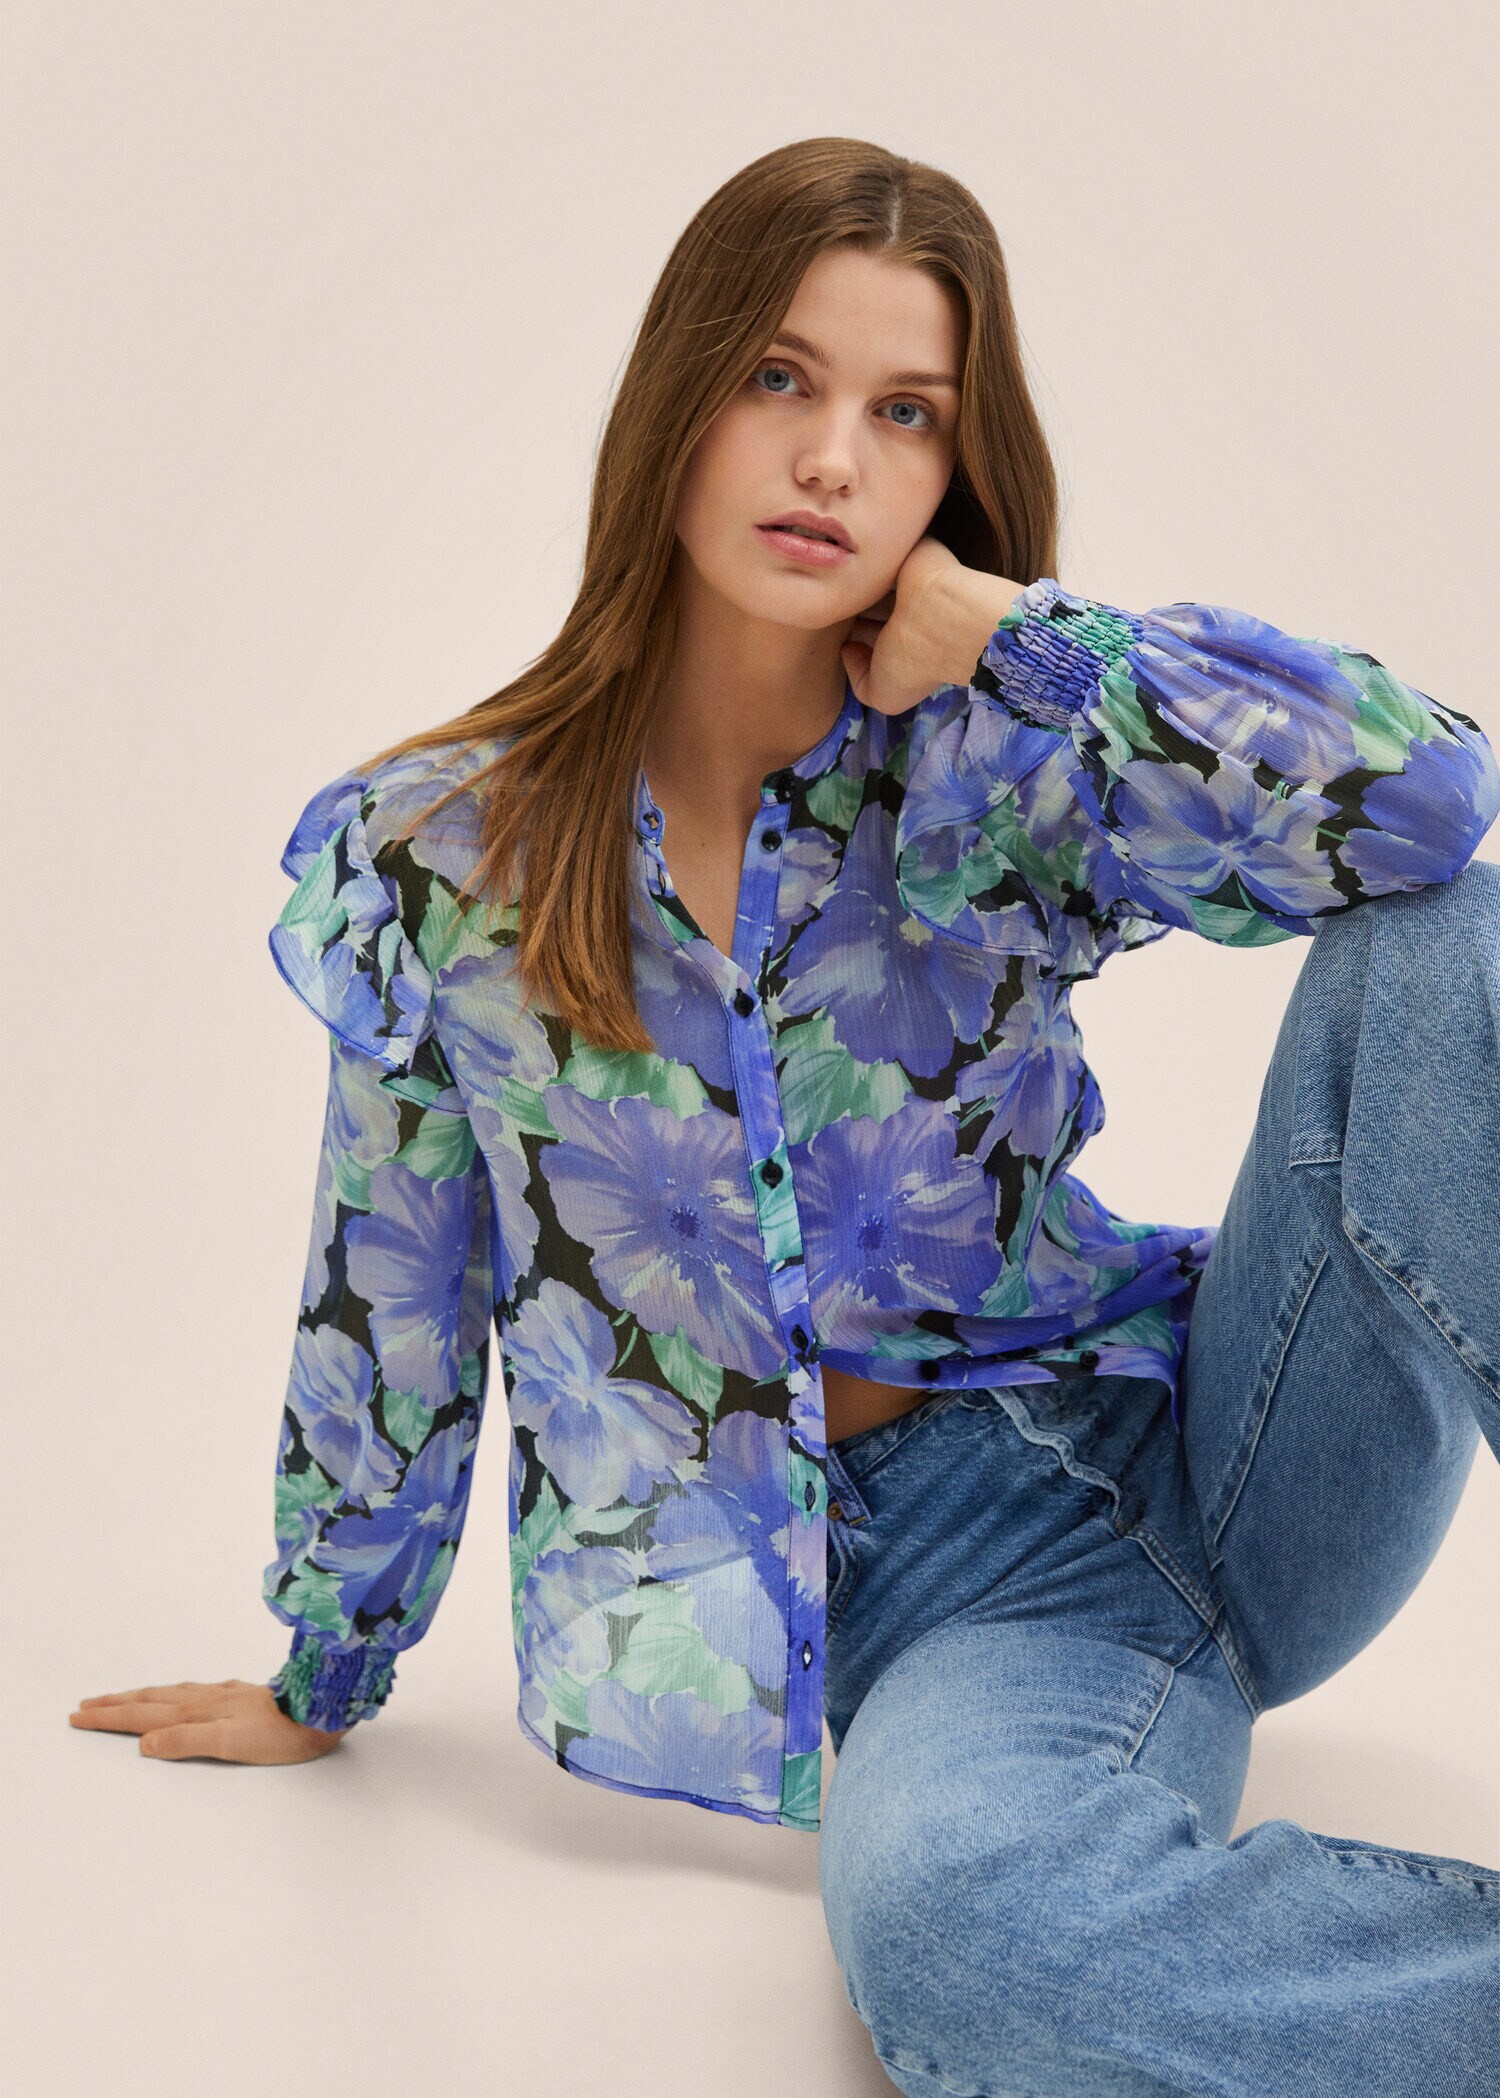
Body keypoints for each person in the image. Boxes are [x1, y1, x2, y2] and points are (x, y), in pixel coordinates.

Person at [69, 137, 1500, 2094]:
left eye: (906, 412)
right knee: (967, 1934)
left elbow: (1426, 802)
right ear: (679, 393)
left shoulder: (999, 758)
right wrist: (329, 1661)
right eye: (779, 376)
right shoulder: (443, 857)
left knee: (1459, 932)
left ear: (951, 470)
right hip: (974, 1602)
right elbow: (386, 1282)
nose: (833, 458)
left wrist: (1020, 638)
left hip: (1238, 1431)